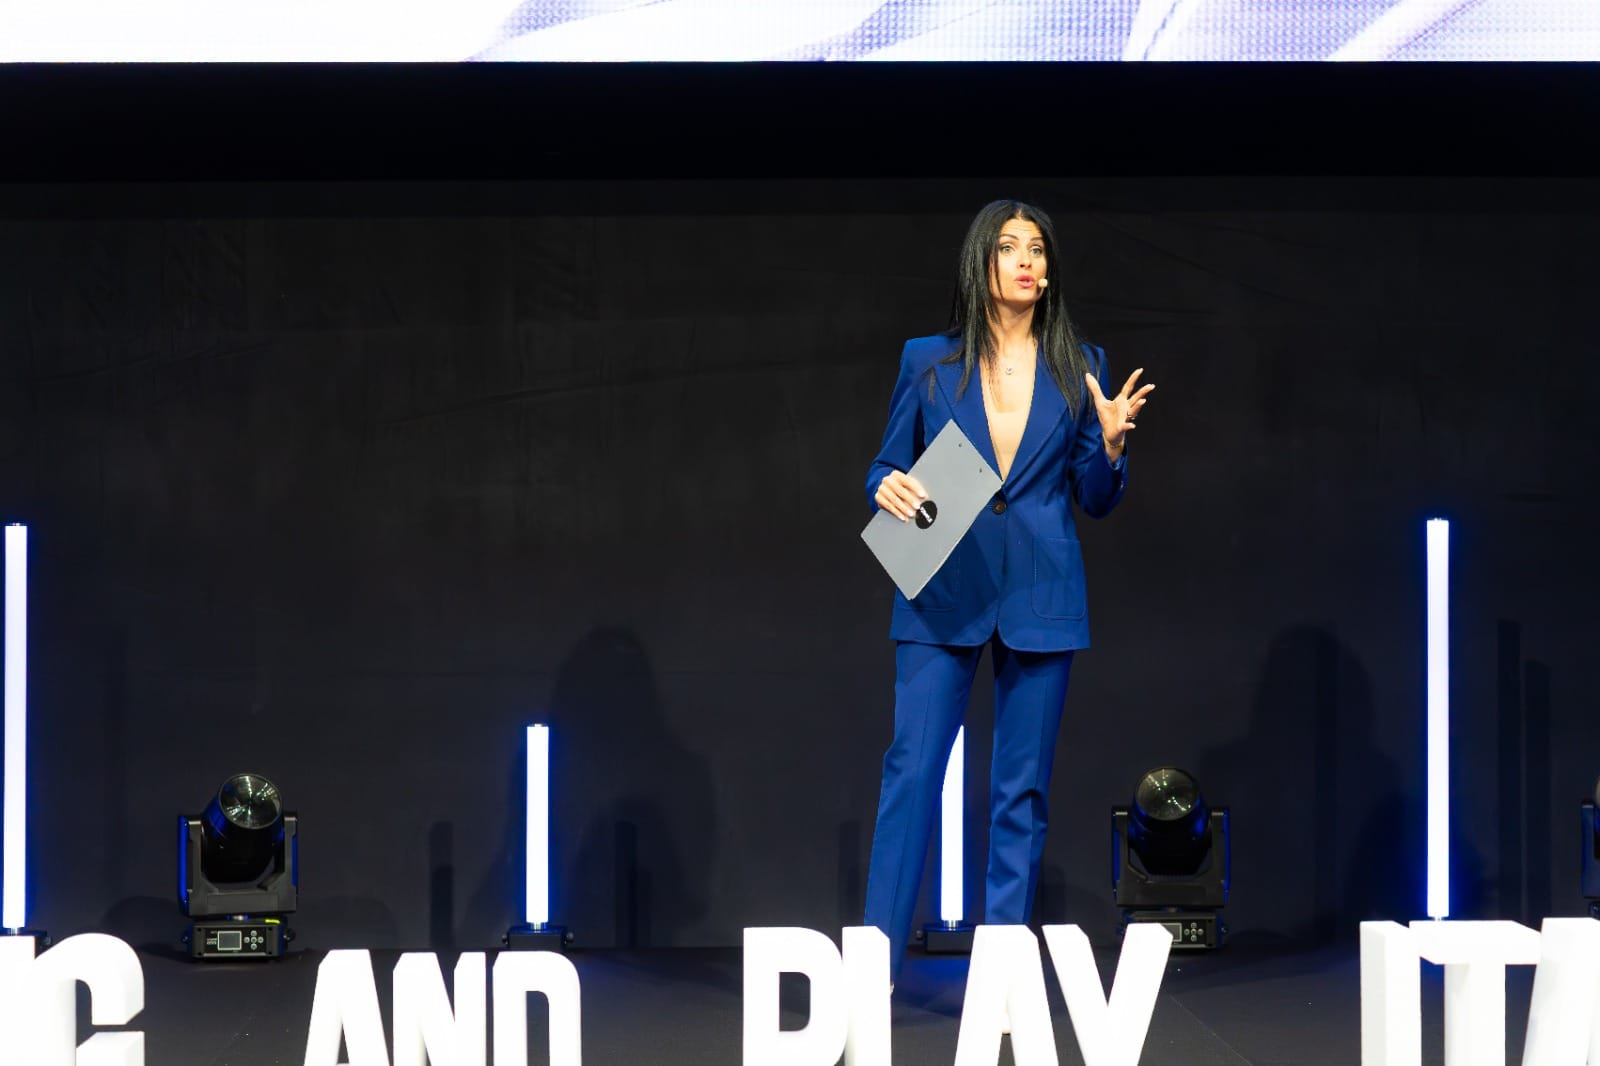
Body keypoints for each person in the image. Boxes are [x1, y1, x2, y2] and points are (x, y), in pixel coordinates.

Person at [862, 199, 1152, 982]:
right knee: (911, 775)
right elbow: (887, 464)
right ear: (981, 263)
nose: (1027, 260)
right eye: (1009, 247)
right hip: (941, 587)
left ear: (1049, 271)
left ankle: (998, 984)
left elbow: (1094, 497)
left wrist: (1111, 448)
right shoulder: (928, 360)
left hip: (1040, 595)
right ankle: (872, 973)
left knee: (1021, 794)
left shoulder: (1080, 364)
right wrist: (884, 485)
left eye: (1038, 249)